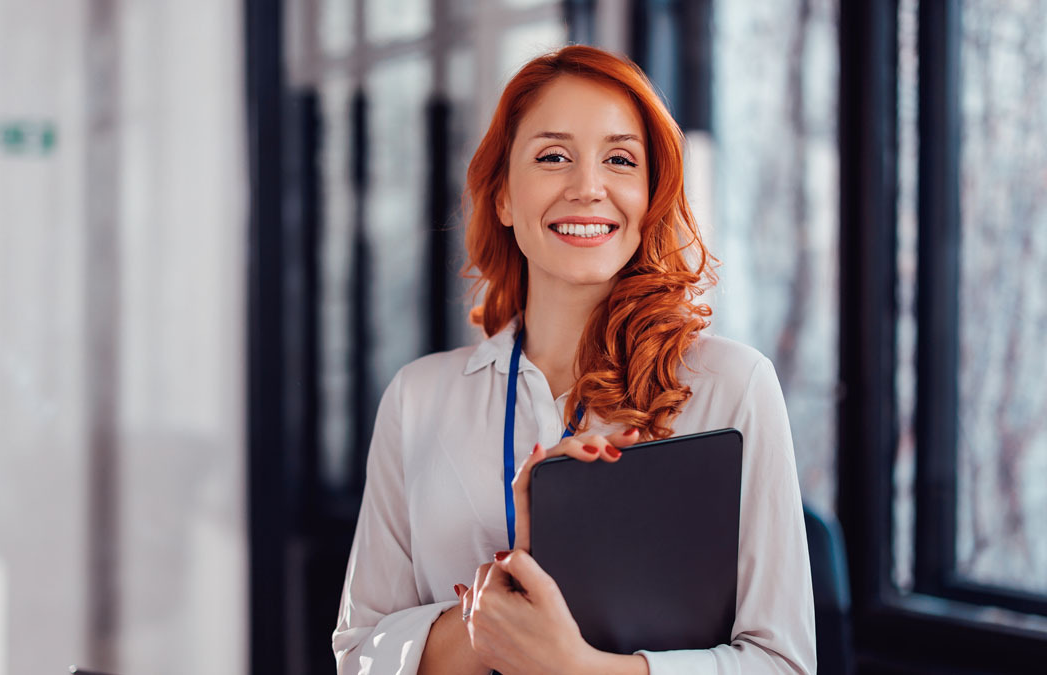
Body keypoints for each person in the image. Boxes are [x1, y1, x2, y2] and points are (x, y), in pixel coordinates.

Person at [332, 45, 815, 674]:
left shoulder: (732, 386)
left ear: (650, 197)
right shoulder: (417, 398)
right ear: (503, 198)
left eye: (620, 160)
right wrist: (489, 617)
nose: (588, 187)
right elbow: (359, 655)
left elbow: (782, 663)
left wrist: (578, 668)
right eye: (553, 157)